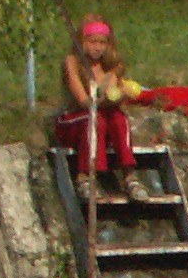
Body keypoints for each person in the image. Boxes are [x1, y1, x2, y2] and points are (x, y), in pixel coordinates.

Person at [54, 15, 147, 185]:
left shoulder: (110, 66)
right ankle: (86, 174)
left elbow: (112, 96)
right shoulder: (72, 62)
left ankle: (129, 173)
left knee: (118, 118)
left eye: (102, 43)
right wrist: (103, 99)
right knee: (95, 119)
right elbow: (83, 101)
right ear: (82, 42)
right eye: (92, 42)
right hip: (73, 120)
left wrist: (121, 96)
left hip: (100, 119)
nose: (97, 48)